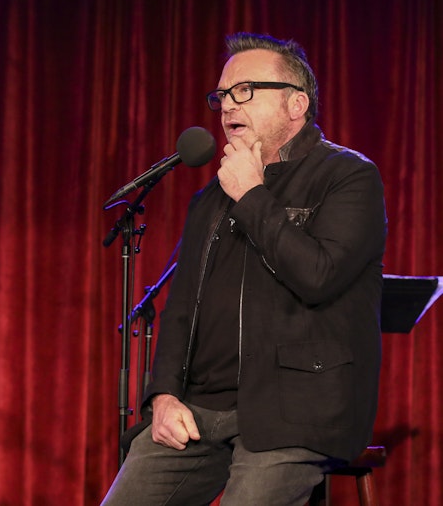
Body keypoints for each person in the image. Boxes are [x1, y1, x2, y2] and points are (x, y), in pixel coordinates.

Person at [102, 33, 387, 505]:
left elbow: (318, 275)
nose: (227, 106)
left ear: (296, 105)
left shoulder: (347, 176)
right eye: (221, 96)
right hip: (198, 409)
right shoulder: (212, 197)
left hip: (291, 410)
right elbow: (179, 309)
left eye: (244, 91)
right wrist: (164, 397)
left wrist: (253, 196)